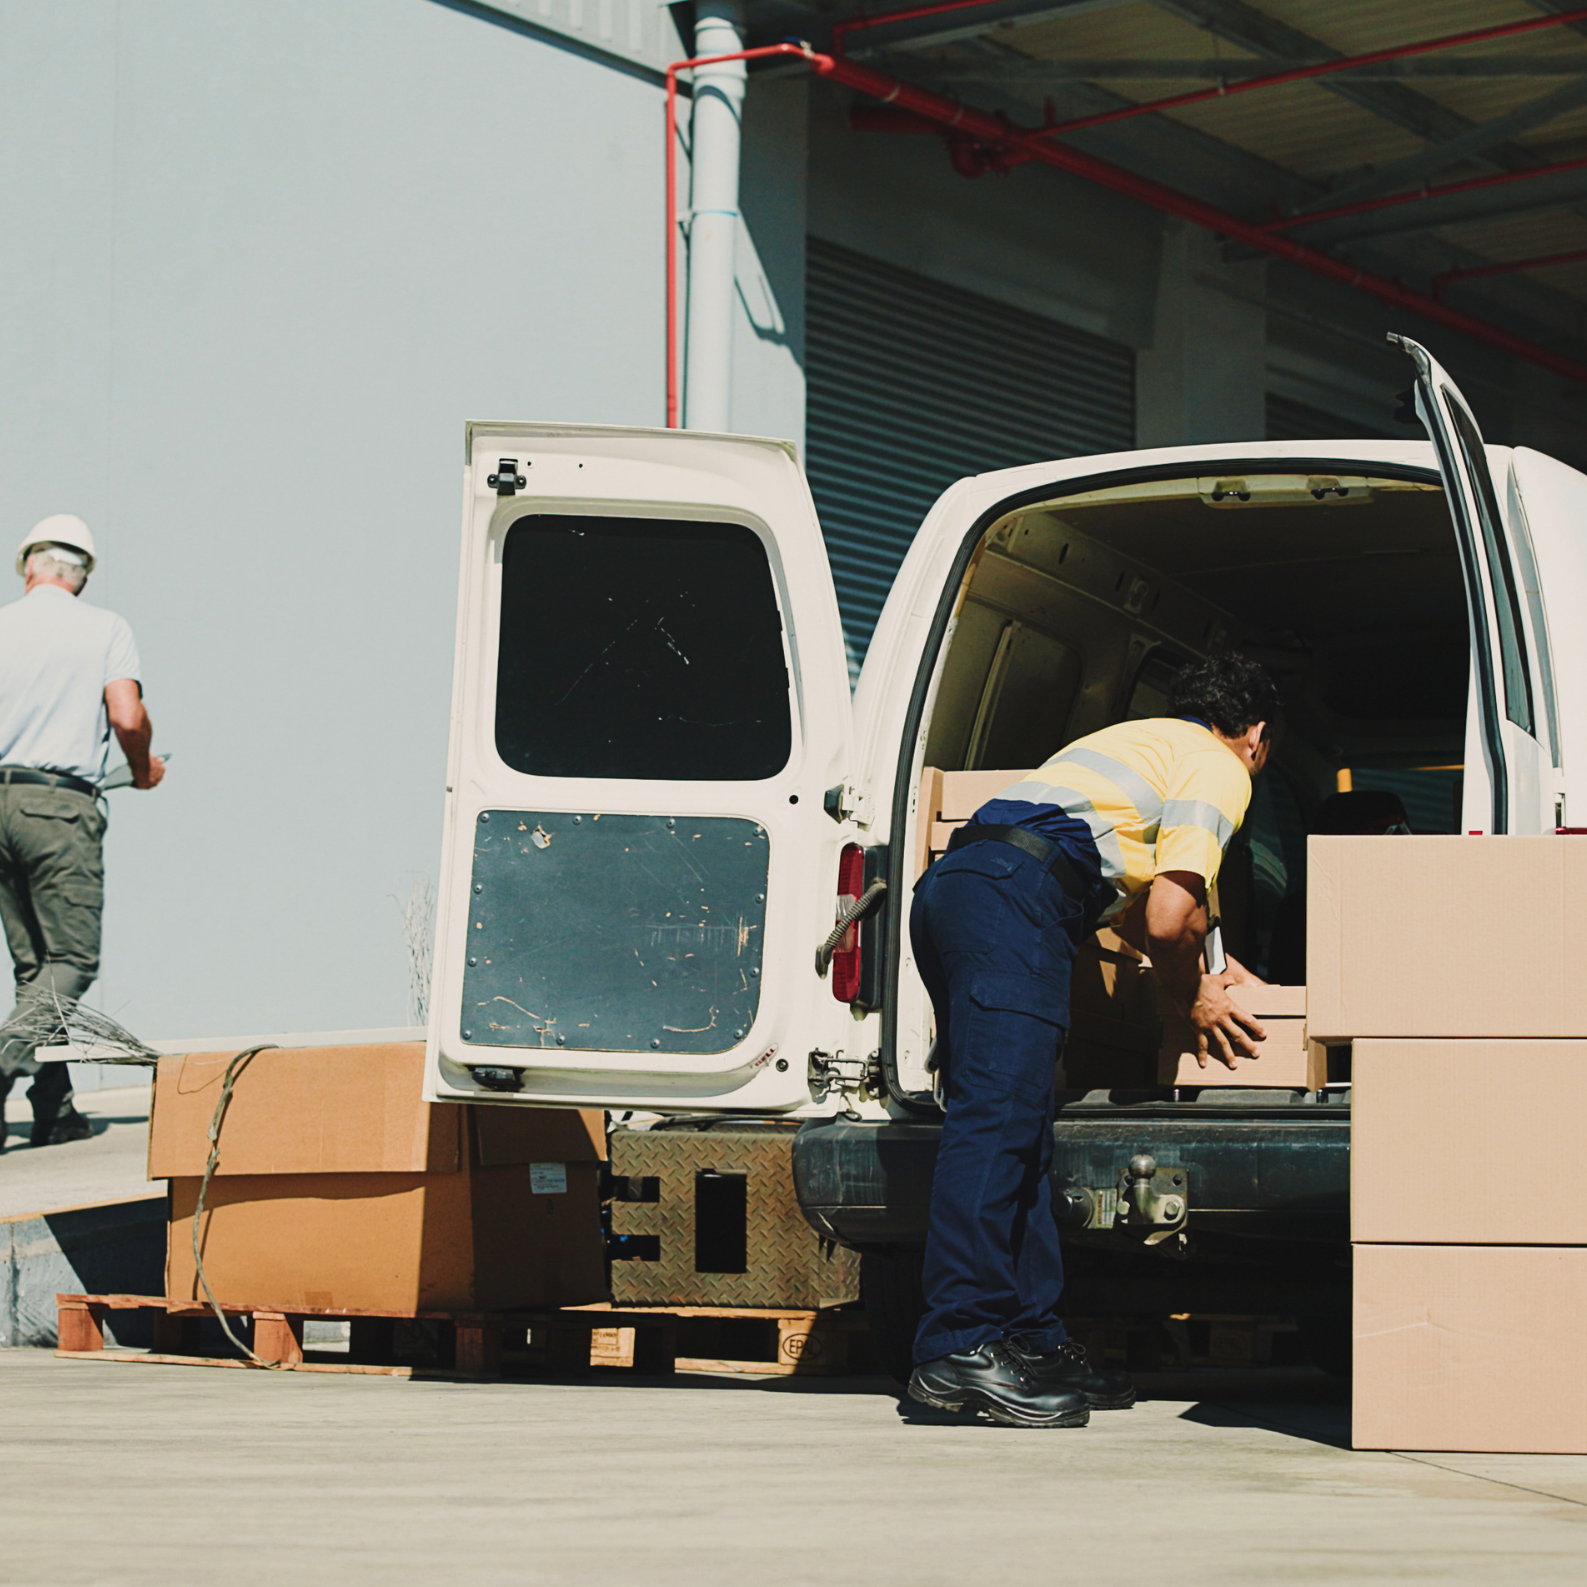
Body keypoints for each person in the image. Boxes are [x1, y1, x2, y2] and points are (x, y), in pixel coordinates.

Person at [907, 653, 1279, 1427]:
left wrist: (1208, 959)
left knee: (1023, 1131)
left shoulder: (1138, 742)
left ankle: (1028, 1339)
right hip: (1015, 900)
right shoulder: (1219, 765)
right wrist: (1194, 999)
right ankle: (956, 1347)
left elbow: (1163, 914)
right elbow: (1167, 922)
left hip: (967, 889)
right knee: (997, 1124)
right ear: (1256, 736)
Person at [0, 516, 164, 1150]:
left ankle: (55, 1107)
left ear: (27, 567)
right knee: (72, 960)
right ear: (84, 574)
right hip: (56, 808)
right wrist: (141, 769)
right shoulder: (104, 628)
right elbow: (126, 713)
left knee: (35, 969)